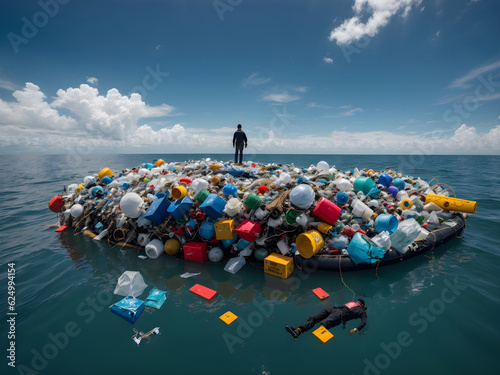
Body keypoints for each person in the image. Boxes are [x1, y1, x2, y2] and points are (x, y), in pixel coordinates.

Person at [285, 298, 367, 340]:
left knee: (324, 323)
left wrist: (355, 329)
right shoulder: (352, 302)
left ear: (362, 305)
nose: (357, 302)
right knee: (314, 318)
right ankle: (298, 331)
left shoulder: (362, 312)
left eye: (359, 302)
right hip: (333, 309)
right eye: (358, 301)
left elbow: (364, 322)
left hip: (339, 315)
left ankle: (321, 337)